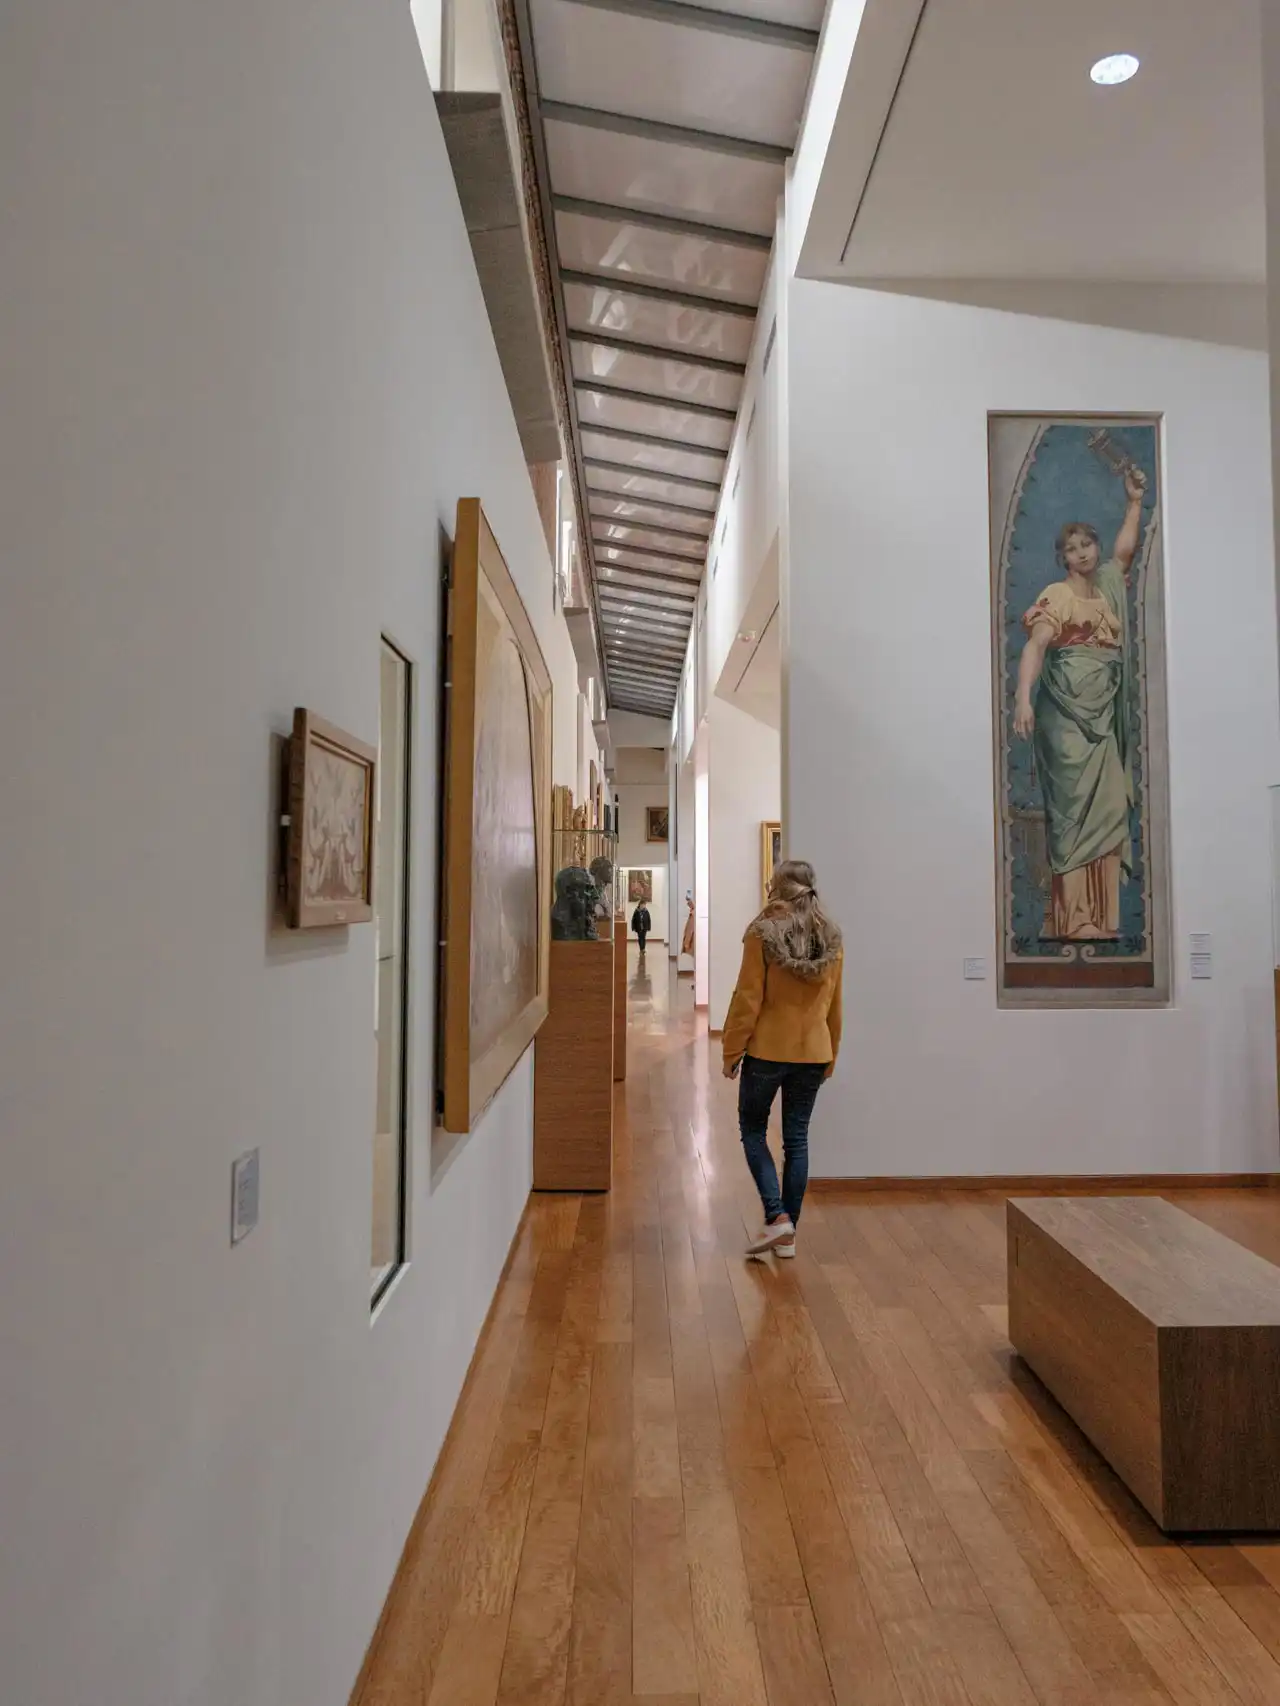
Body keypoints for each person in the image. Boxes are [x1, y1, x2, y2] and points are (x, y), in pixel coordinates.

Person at [1013, 462, 1147, 940]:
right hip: (1067, 721)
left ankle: (1102, 918)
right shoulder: (1058, 595)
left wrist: (1133, 502)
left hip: (1102, 716)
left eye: (1086, 543)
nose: (1082, 553)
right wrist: (1023, 697)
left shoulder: (1109, 588)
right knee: (1072, 814)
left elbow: (1125, 554)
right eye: (1071, 548)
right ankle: (1073, 919)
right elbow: (1036, 646)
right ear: (1062, 558)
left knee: (1110, 805)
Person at [721, 860, 843, 1258]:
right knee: (797, 1139)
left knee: (753, 1129)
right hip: (812, 1052)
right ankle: (788, 1231)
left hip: (767, 1052)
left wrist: (731, 1050)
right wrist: (831, 1055)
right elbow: (834, 1007)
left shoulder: (762, 932)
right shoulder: (831, 938)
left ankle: (777, 1218)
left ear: (776, 887)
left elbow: (747, 999)